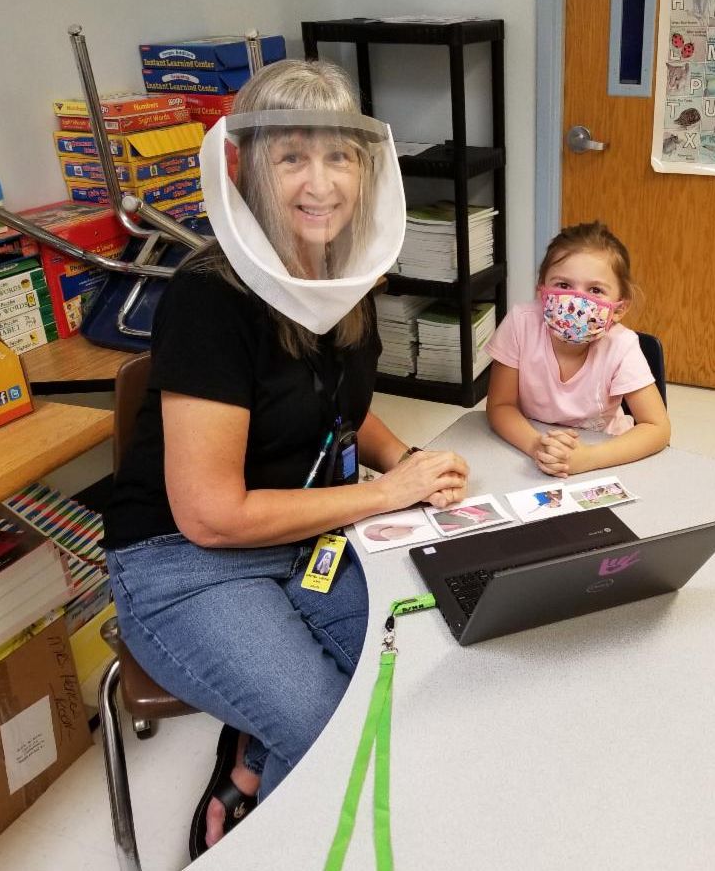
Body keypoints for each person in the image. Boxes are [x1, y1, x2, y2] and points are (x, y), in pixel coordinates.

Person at [101, 59, 470, 858]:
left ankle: (248, 761)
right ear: (245, 168)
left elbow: (337, 405)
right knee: (328, 724)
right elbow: (211, 514)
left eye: (339, 155)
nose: (321, 183)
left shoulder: (343, 277)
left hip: (301, 533)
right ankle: (252, 816)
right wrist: (385, 494)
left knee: (412, 673)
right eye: (291, 155)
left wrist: (408, 461)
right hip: (184, 559)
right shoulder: (209, 298)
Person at [484, 221, 670, 477]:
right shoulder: (520, 323)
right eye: (563, 285)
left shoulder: (622, 346)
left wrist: (587, 459)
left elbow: (657, 427)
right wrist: (537, 446)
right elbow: (500, 405)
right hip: (531, 449)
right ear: (542, 290)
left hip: (605, 456)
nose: (576, 302)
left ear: (619, 309)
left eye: (595, 290)